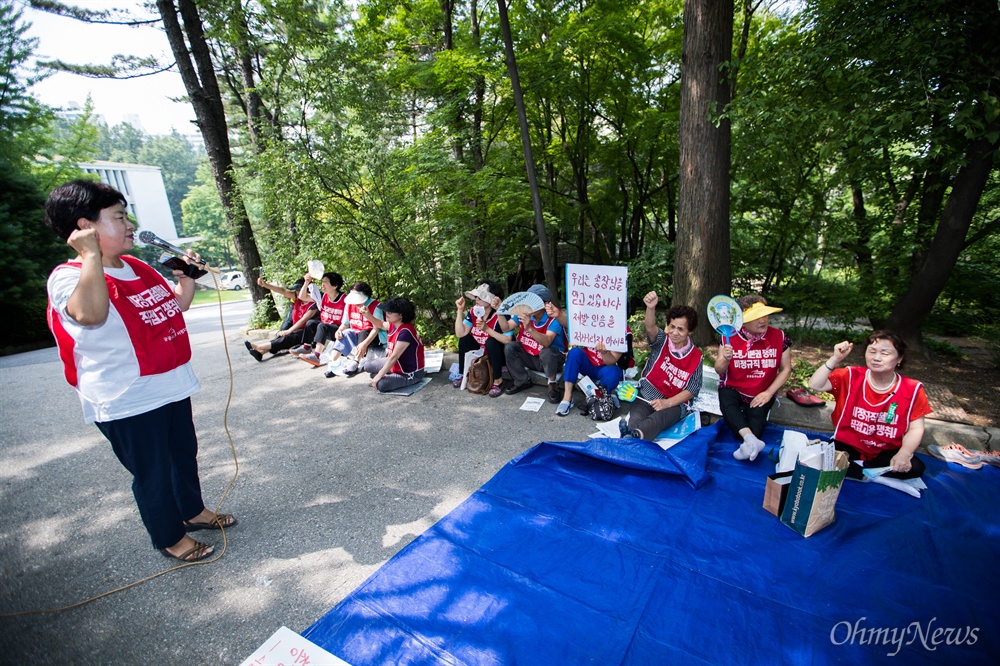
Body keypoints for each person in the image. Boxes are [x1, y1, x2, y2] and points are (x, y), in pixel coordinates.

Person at [44, 180, 236, 563]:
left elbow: (175, 305)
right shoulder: (68, 277)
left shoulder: (136, 266)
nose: (130, 225)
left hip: (169, 383)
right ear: (86, 227)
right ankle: (169, 537)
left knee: (183, 455)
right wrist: (91, 256)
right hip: (126, 395)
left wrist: (186, 277)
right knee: (153, 472)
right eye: (118, 217)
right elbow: (91, 314)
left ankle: (193, 511)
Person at [808, 331, 931, 479]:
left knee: (916, 468)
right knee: (819, 459)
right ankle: (862, 472)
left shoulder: (912, 388)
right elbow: (815, 384)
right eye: (872, 351)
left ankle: (855, 470)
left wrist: (904, 453)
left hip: (886, 450)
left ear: (899, 358)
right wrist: (835, 359)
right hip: (848, 445)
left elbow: (916, 428)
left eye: (885, 353)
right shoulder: (851, 376)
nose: (876, 358)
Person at [715, 294, 792, 461]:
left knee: (756, 424)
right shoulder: (728, 337)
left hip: (762, 391)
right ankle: (750, 440)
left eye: (764, 315)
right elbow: (718, 369)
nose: (762, 320)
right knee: (727, 402)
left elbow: (786, 369)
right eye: (756, 317)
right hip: (734, 388)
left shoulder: (780, 337)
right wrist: (725, 359)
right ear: (742, 320)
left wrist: (768, 393)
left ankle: (749, 439)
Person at [620, 294, 703, 438]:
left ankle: (634, 436)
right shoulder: (662, 341)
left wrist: (667, 403)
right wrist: (650, 308)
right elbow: (651, 328)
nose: (675, 333)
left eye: (681, 329)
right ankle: (633, 434)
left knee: (658, 419)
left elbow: (692, 389)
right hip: (648, 393)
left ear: (690, 331)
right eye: (672, 326)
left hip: (675, 403)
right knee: (636, 416)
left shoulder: (696, 357)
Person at [500, 284, 567, 402]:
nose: (529, 305)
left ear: (544, 304)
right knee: (510, 346)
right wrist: (500, 312)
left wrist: (529, 328)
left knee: (547, 352)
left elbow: (547, 342)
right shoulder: (524, 312)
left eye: (533, 301)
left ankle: (552, 384)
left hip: (551, 360)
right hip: (530, 356)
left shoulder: (554, 318)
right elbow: (506, 328)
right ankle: (522, 380)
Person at [453, 281, 511, 396]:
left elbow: (508, 340)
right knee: (464, 340)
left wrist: (487, 329)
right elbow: (460, 333)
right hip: (480, 352)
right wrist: (460, 311)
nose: (476, 299)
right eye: (476, 297)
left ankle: (498, 381)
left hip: (497, 355)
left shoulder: (501, 314)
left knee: (492, 342)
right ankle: (463, 374)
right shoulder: (474, 312)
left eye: (480, 297)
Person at [357, 297, 425, 392]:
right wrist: (367, 315)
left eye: (390, 312)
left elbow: (394, 357)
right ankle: (387, 375)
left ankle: (387, 377)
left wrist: (379, 376)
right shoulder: (394, 324)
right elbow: (380, 324)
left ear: (401, 315)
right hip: (396, 365)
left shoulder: (405, 331)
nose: (386, 313)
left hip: (409, 373)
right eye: (387, 311)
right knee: (367, 366)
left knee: (381, 385)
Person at [245, 276, 317, 361]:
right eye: (296, 291)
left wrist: (289, 331)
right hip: (296, 328)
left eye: (299, 290)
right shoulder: (298, 298)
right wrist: (265, 285)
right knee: (282, 336)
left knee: (287, 337)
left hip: (306, 332)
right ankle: (261, 352)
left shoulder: (313, 304)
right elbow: (283, 291)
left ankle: (258, 347)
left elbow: (302, 320)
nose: (297, 293)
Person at [289, 271, 346, 366]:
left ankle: (317, 356)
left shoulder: (344, 299)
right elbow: (302, 297)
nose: (322, 284)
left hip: (338, 330)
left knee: (322, 326)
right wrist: (306, 282)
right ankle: (307, 347)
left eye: (325, 282)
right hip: (325, 327)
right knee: (311, 323)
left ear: (335, 286)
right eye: (322, 281)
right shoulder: (322, 296)